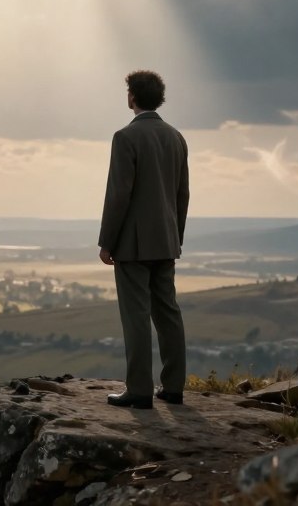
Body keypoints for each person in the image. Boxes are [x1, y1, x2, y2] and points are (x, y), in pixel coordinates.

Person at [98, 70, 189, 409]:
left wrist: (107, 241)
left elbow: (119, 194)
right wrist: (174, 236)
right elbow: (182, 194)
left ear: (132, 97)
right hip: (166, 241)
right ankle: (174, 387)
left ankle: (138, 390)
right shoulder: (176, 137)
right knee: (168, 312)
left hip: (133, 244)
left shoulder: (126, 137)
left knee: (135, 315)